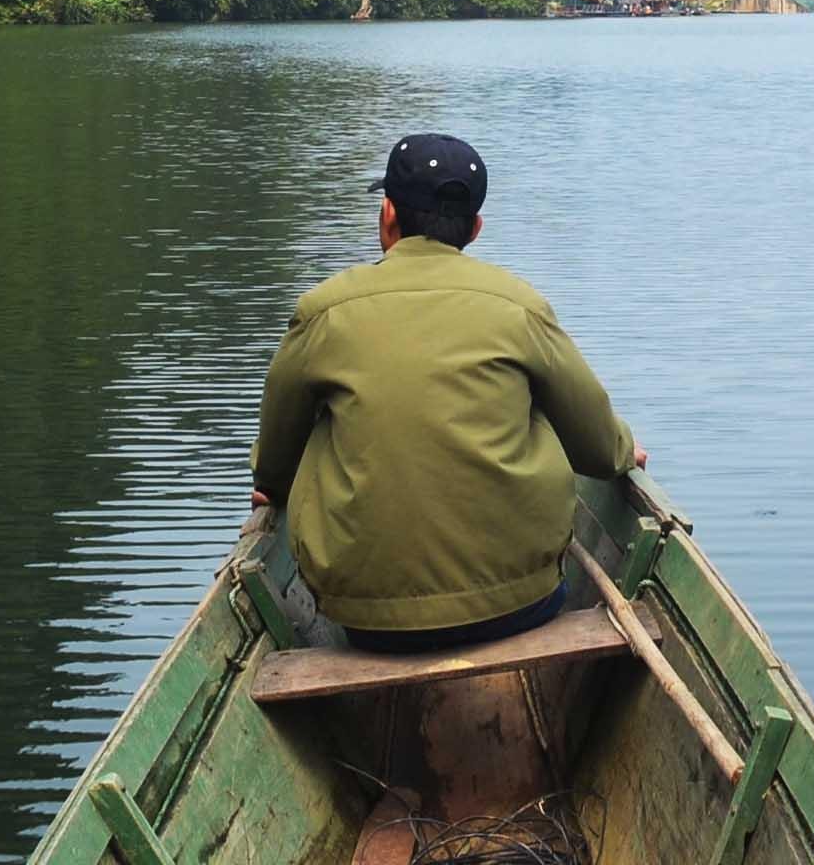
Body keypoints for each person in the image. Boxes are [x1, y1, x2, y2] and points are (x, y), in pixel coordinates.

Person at [250, 133, 645, 653]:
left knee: (327, 427)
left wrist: (273, 489)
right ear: (475, 228)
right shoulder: (521, 307)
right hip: (521, 604)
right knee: (534, 412)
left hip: (366, 617)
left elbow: (275, 461)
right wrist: (622, 452)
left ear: (388, 214)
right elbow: (596, 448)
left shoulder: (323, 312)